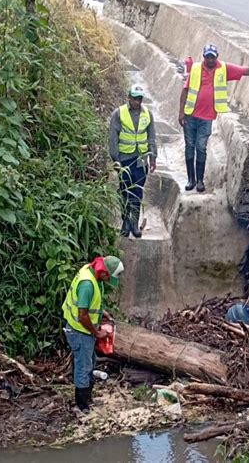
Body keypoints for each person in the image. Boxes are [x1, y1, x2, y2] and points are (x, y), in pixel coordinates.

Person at [179, 44, 249, 193]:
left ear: (217, 56)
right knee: (189, 148)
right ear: (204, 57)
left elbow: (246, 71)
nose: (210, 59)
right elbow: (185, 91)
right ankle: (191, 180)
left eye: (212, 57)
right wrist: (181, 112)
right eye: (207, 56)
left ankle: (200, 181)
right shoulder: (195, 69)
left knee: (201, 148)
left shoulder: (224, 69)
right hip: (190, 115)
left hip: (206, 118)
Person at [62, 255, 124, 413]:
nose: (107, 281)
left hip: (84, 330)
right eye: (108, 278)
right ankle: (82, 406)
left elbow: (88, 303)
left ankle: (88, 399)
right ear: (103, 272)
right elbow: (83, 315)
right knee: (83, 367)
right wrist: (97, 333)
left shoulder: (90, 271)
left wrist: (102, 312)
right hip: (79, 330)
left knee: (90, 362)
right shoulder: (87, 284)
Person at [109, 85, 157, 238]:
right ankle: (125, 221)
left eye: (140, 98)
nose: (137, 101)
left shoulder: (147, 114)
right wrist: (115, 160)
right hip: (125, 158)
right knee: (124, 190)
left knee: (137, 191)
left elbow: (151, 137)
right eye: (135, 98)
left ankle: (134, 223)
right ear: (129, 97)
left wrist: (153, 157)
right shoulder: (119, 114)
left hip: (141, 159)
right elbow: (113, 139)